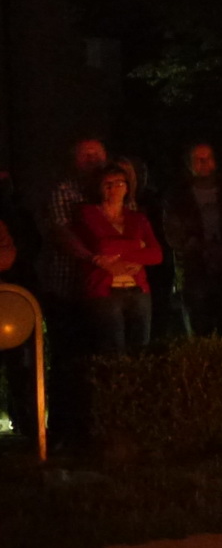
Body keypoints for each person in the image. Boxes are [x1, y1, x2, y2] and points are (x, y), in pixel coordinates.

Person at [35, 136, 109, 439]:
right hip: (68, 288)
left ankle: (97, 426)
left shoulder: (113, 189)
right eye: (84, 155)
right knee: (66, 359)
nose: (91, 160)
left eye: (96, 154)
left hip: (104, 291)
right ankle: (63, 431)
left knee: (101, 355)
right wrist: (95, 258)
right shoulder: (64, 191)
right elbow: (63, 233)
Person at [74, 163, 163, 354]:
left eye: (119, 183)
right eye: (108, 184)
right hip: (105, 291)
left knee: (140, 349)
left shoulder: (138, 219)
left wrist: (123, 253)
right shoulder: (88, 213)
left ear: (128, 187)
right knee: (112, 349)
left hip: (138, 290)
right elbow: (103, 247)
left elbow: (156, 254)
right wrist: (137, 248)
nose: (114, 188)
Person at [163, 141, 222, 336]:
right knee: (199, 326)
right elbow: (173, 232)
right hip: (195, 269)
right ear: (189, 164)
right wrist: (198, 246)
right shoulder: (177, 195)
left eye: (208, 158)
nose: (204, 163)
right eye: (198, 159)